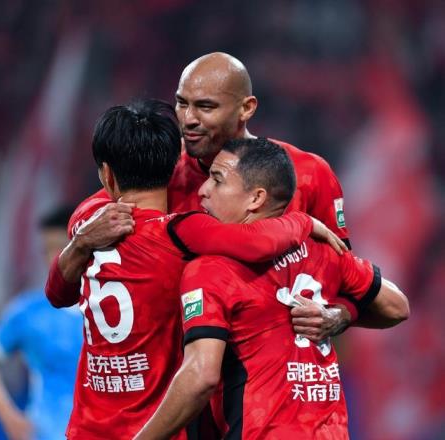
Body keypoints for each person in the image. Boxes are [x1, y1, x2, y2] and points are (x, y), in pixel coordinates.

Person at [46, 99, 345, 440]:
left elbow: (56, 294)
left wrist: (80, 243)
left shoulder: (86, 220)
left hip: (87, 428)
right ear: (176, 164)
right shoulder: (180, 232)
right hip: (154, 429)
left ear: (107, 174)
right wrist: (303, 221)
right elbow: (256, 242)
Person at [50, 51, 368, 338]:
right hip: (190, 370)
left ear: (246, 108)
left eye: (205, 107)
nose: (188, 119)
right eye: (182, 103)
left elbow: (347, 279)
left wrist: (339, 315)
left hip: (271, 374)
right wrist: (82, 237)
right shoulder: (166, 170)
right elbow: (94, 209)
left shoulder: (309, 174)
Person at [135, 138, 410, 440]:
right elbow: (397, 307)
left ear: (256, 198)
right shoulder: (323, 250)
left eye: (217, 180)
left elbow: (200, 377)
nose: (203, 190)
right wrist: (341, 316)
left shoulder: (211, 270)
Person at [0, 206, 82, 440]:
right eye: (47, 249)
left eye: (61, 247)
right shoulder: (30, 312)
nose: (53, 257)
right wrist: (9, 417)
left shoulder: (110, 308)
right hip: (45, 433)